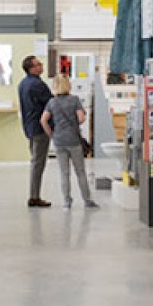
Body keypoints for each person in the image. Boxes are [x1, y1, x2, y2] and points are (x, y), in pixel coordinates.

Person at [39, 76, 100, 208]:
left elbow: (43, 120)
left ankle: (67, 202)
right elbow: (81, 118)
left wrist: (51, 134)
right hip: (73, 140)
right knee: (80, 172)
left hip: (59, 141)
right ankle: (87, 200)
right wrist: (73, 125)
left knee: (64, 172)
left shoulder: (52, 102)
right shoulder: (74, 100)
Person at [16, 56, 54, 208]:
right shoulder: (38, 85)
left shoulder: (23, 84)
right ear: (31, 68)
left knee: (35, 160)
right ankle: (34, 196)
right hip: (40, 128)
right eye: (38, 64)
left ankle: (34, 195)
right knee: (38, 163)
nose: (41, 65)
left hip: (29, 127)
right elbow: (51, 103)